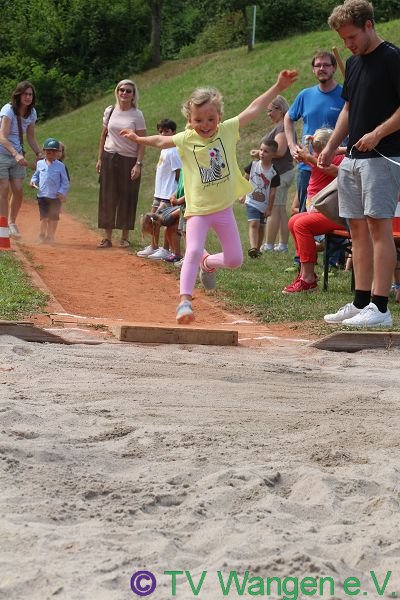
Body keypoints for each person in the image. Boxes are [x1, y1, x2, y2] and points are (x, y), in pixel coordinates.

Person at [120, 69, 298, 324]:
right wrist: (138, 138)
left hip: (223, 209)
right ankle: (184, 301)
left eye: (210, 119)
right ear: (190, 120)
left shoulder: (227, 130)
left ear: (219, 117)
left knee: (235, 260)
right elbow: (160, 141)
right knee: (192, 251)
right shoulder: (186, 138)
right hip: (197, 211)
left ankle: (208, 263)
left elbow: (254, 108)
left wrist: (278, 87)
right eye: (199, 120)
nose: (205, 125)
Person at [319, 0, 400, 328]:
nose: (348, 44)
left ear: (369, 25)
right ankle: (361, 302)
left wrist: (378, 133)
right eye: (343, 39)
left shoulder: (392, 58)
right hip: (353, 158)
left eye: (352, 37)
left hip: (384, 157)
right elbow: (348, 109)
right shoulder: (353, 63)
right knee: (357, 230)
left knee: (379, 228)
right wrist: (330, 146)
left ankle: (380, 308)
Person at [282, 128, 345, 293]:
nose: (318, 156)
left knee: (301, 225)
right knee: (293, 221)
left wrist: (309, 157)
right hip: (323, 212)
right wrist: (303, 155)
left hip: (337, 214)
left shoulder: (341, 159)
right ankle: (304, 272)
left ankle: (308, 278)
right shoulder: (322, 157)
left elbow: (335, 171)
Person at [284, 51, 345, 215]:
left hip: (334, 167)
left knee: (336, 218)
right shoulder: (305, 95)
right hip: (307, 166)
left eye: (326, 65)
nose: (322, 68)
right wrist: (291, 146)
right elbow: (288, 118)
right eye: (318, 65)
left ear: (334, 68)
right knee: (306, 215)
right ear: (313, 70)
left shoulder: (345, 95)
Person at [96, 79, 146, 249]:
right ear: (117, 92)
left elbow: (142, 141)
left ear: (133, 95)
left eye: (128, 91)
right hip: (109, 157)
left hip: (129, 159)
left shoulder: (137, 115)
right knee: (107, 197)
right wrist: (99, 159)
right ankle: (107, 237)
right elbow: (103, 135)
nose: (124, 93)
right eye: (121, 90)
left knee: (127, 197)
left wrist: (138, 164)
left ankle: (125, 237)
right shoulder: (110, 111)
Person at [0, 80, 43, 238]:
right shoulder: (8, 110)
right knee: (4, 189)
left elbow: (30, 137)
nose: (28, 97)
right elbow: (2, 137)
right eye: (25, 94)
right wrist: (15, 154)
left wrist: (39, 153)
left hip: (17, 155)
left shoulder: (32, 113)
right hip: (2, 154)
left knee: (18, 190)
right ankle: (3, 226)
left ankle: (12, 222)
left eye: (30, 94)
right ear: (18, 95)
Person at [137, 118, 182, 259]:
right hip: (159, 193)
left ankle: (165, 249)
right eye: (161, 131)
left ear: (174, 132)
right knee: (153, 220)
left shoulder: (173, 151)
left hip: (168, 194)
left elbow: (178, 173)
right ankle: (154, 246)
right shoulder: (164, 150)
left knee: (165, 221)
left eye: (166, 131)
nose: (163, 134)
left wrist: (174, 193)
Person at [261, 95, 295, 253]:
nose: (268, 114)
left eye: (270, 110)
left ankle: (269, 244)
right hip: (284, 173)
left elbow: (280, 151)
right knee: (280, 209)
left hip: (280, 173)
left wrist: (260, 154)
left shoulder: (281, 127)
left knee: (274, 209)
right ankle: (282, 245)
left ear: (279, 110)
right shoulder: (283, 126)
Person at [241, 138, 280, 258]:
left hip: (264, 204)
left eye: (266, 151)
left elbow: (272, 193)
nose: (262, 153)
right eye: (261, 150)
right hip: (251, 200)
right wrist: (242, 194)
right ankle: (253, 247)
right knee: (254, 224)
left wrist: (269, 208)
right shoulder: (253, 165)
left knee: (261, 227)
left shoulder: (274, 172)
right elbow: (244, 179)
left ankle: (257, 250)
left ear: (273, 155)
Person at [30, 138, 69, 244]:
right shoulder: (40, 164)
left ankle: (50, 236)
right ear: (44, 151)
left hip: (55, 197)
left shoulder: (61, 166)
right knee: (44, 217)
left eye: (53, 151)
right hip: (42, 195)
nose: (50, 154)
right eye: (48, 151)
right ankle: (41, 235)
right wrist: (33, 181)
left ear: (57, 153)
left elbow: (65, 182)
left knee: (53, 218)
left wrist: (62, 192)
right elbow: (36, 175)